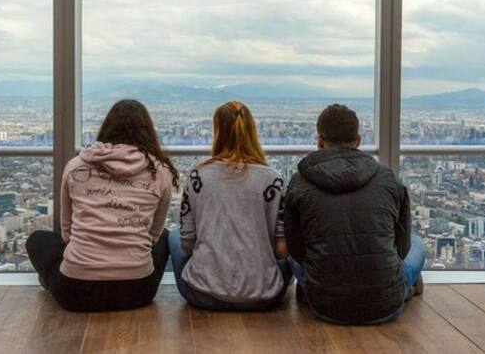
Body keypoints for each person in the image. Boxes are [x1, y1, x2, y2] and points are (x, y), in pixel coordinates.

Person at [26, 99, 177, 312]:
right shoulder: (158, 171)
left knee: (37, 239)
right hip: (138, 291)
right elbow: (154, 234)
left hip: (76, 291)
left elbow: (67, 232)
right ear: (148, 132)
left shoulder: (77, 165)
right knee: (165, 237)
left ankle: (52, 280)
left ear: (107, 127)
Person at [284, 104, 425, 325]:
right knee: (417, 243)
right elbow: (402, 246)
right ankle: (405, 286)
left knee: (292, 256)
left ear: (319, 140)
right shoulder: (388, 178)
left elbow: (295, 248)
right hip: (385, 304)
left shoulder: (299, 183)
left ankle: (309, 287)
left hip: (324, 304)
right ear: (358, 141)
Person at [169, 100, 292, 311]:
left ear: (217, 132)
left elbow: (187, 244)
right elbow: (281, 250)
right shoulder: (273, 179)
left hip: (202, 292)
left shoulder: (199, 176)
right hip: (263, 295)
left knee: (173, 235)